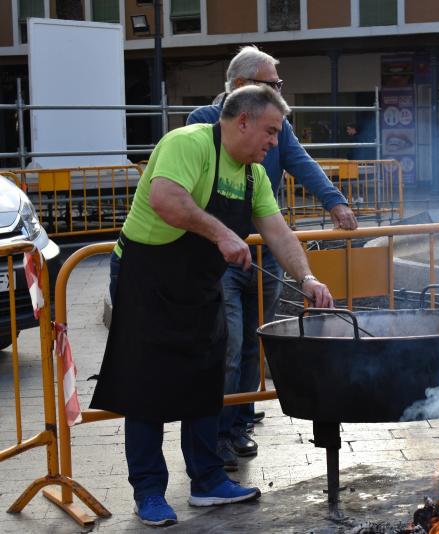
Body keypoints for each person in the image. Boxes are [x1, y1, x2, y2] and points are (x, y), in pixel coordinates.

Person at [93, 85, 335, 527]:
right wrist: (222, 233)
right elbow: (165, 199)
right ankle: (148, 491)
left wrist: (308, 277)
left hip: (199, 283)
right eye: (271, 130)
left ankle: (207, 480)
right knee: (147, 383)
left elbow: (278, 232)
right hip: (146, 276)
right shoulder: (187, 144)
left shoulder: (253, 174)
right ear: (242, 121)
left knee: (207, 374)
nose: (275, 142)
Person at [186, 46, 357, 471]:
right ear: (241, 92)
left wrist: (334, 201)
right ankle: (219, 433)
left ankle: (240, 418)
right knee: (227, 343)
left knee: (251, 342)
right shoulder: (201, 125)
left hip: (264, 249)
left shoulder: (276, 132)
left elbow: (299, 165)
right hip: (219, 255)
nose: (273, 141)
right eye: (273, 84)